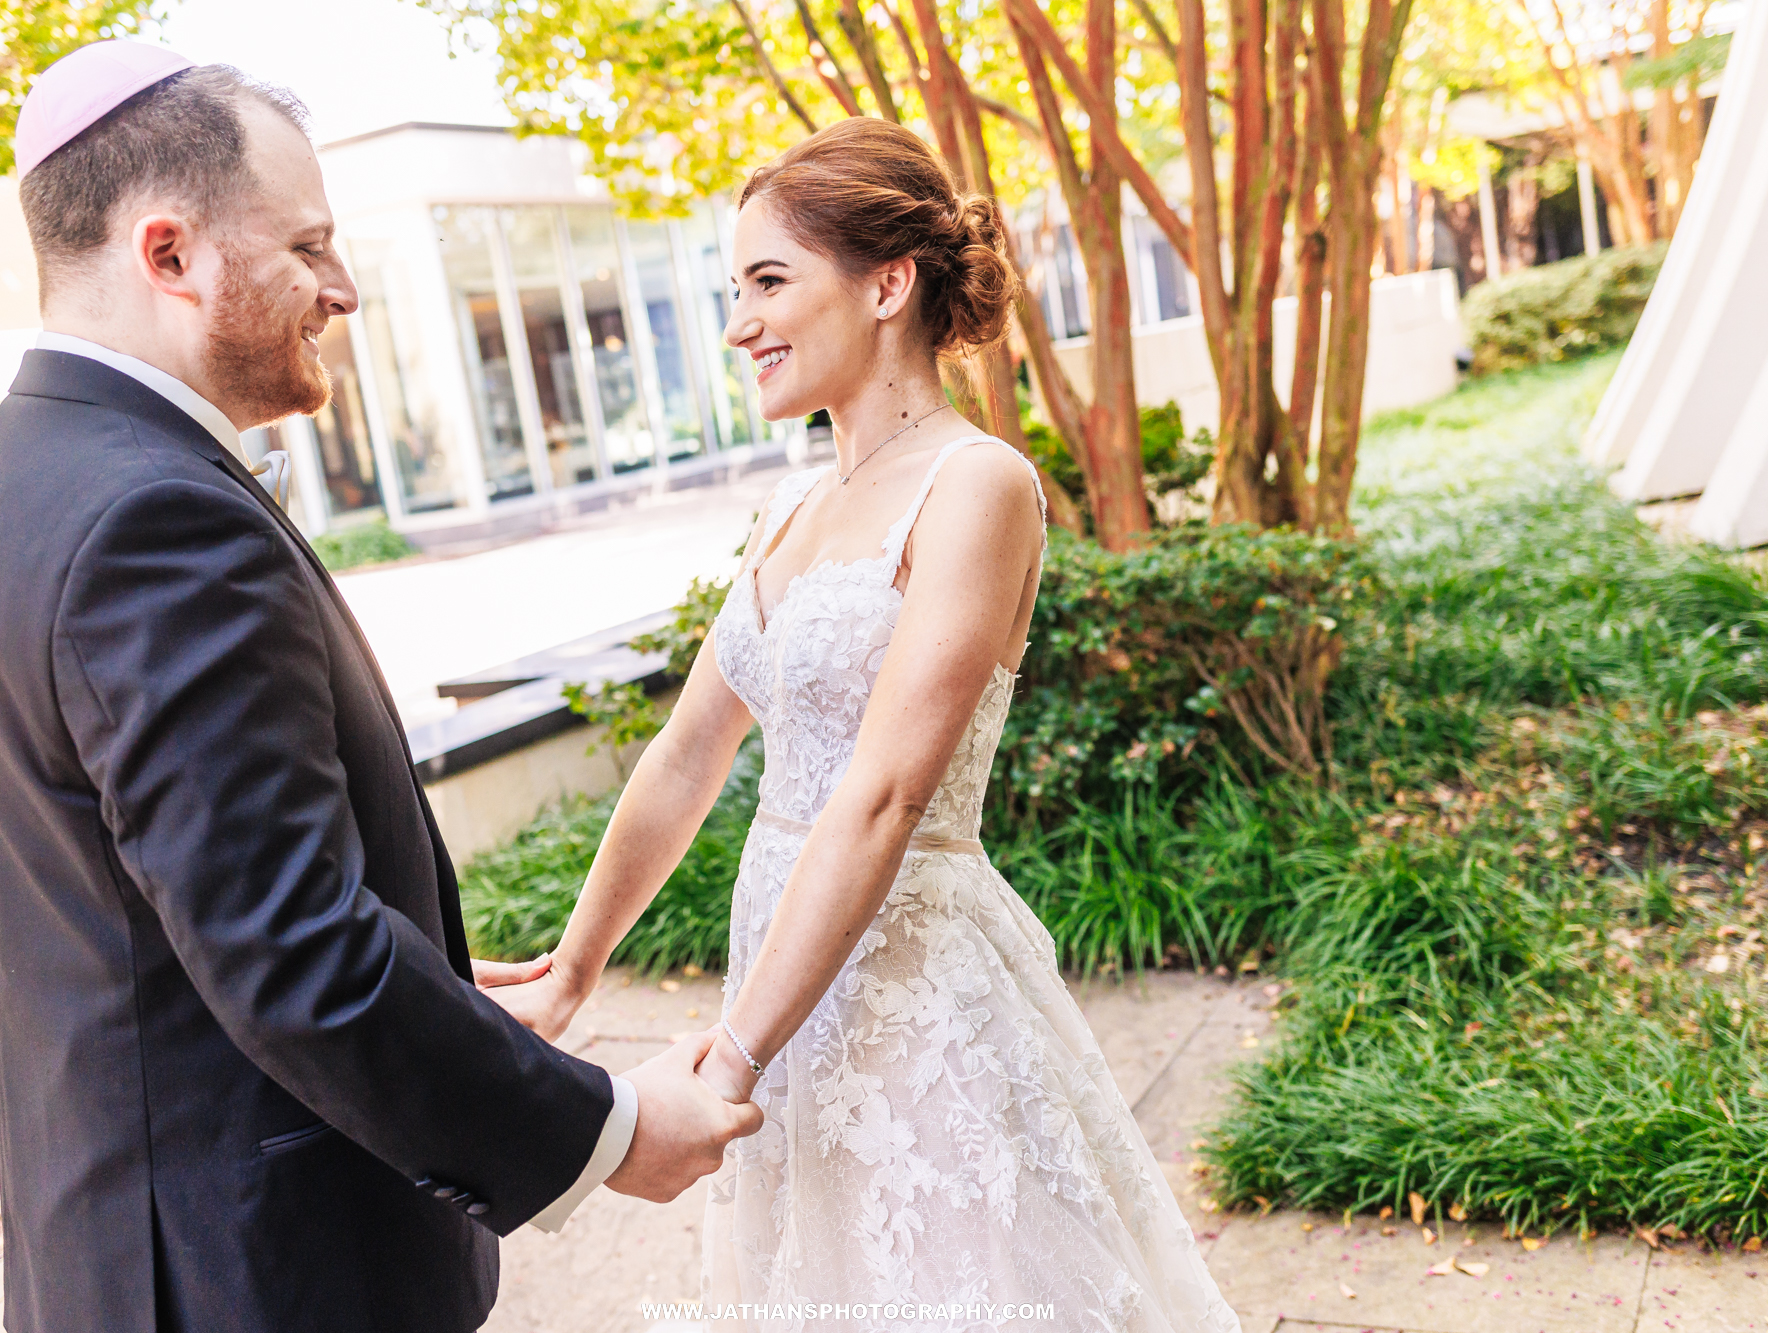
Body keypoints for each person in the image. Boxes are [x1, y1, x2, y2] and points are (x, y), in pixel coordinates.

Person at [0, 41, 759, 1333]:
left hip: (139, 1250)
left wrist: (433, 989)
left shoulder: (25, 480)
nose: (345, 288)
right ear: (170, 255)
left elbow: (160, 905)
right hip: (252, 1277)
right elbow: (289, 946)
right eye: (308, 246)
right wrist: (608, 1128)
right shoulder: (153, 516)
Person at [490, 118, 1240, 1330]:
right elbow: (688, 756)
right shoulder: (788, 508)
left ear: (887, 283)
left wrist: (730, 1056)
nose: (739, 324)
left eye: (770, 282)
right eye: (735, 289)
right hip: (787, 989)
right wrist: (571, 970)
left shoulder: (976, 484)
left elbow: (883, 795)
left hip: (912, 993)